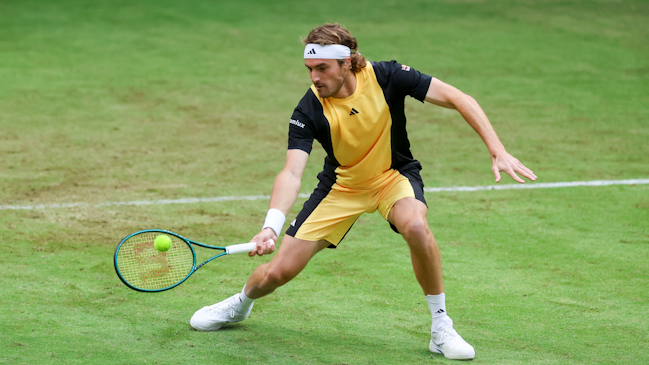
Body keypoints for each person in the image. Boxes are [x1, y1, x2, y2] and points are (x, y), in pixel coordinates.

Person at [191, 23, 536, 360]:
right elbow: (291, 173)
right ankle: (241, 303)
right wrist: (271, 225)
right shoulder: (308, 108)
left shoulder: (388, 76)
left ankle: (441, 326)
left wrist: (497, 148)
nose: (314, 77)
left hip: (392, 177)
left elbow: (459, 98)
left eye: (322, 68)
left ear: (347, 63)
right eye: (309, 68)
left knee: (415, 226)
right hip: (341, 188)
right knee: (279, 273)